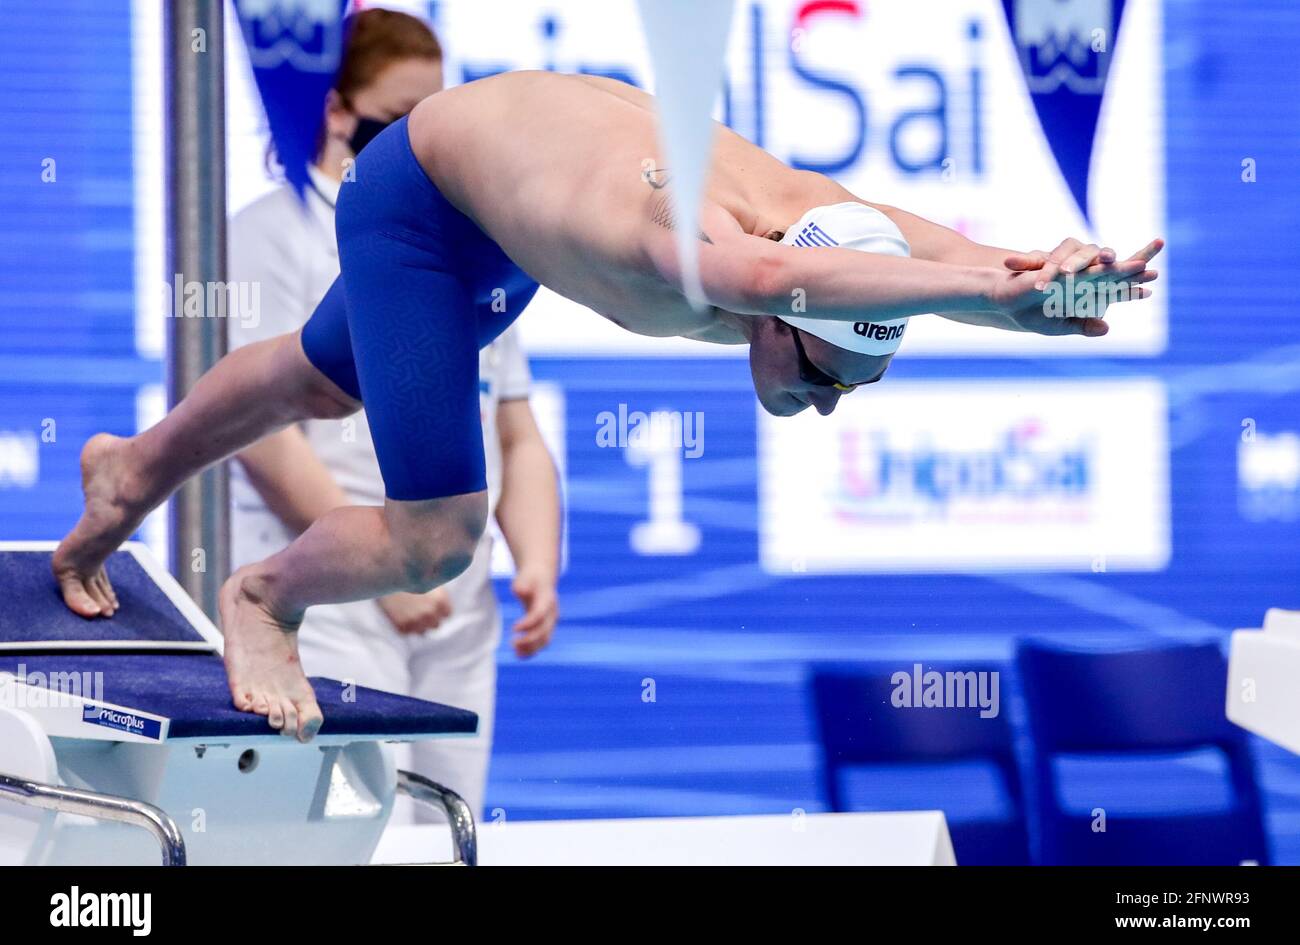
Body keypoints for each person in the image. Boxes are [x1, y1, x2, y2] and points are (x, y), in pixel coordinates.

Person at [53, 70, 1162, 742]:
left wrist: (1037, 290)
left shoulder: (823, 218)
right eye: (825, 381)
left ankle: (130, 470)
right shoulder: (700, 248)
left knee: (317, 375)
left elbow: (963, 260)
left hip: (499, 189)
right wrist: (984, 286)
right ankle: (262, 597)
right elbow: (809, 282)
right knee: (437, 537)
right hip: (428, 202)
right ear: (786, 323)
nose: (820, 409)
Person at [228, 10, 559, 815]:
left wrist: (539, 558)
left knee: (450, 827)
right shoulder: (266, 236)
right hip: (333, 593)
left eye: (435, 113)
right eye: (403, 115)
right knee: (352, 830)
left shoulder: (468, 243)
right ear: (339, 110)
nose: (421, 138)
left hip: (458, 599)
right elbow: (265, 438)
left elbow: (513, 427)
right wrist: (390, 573)